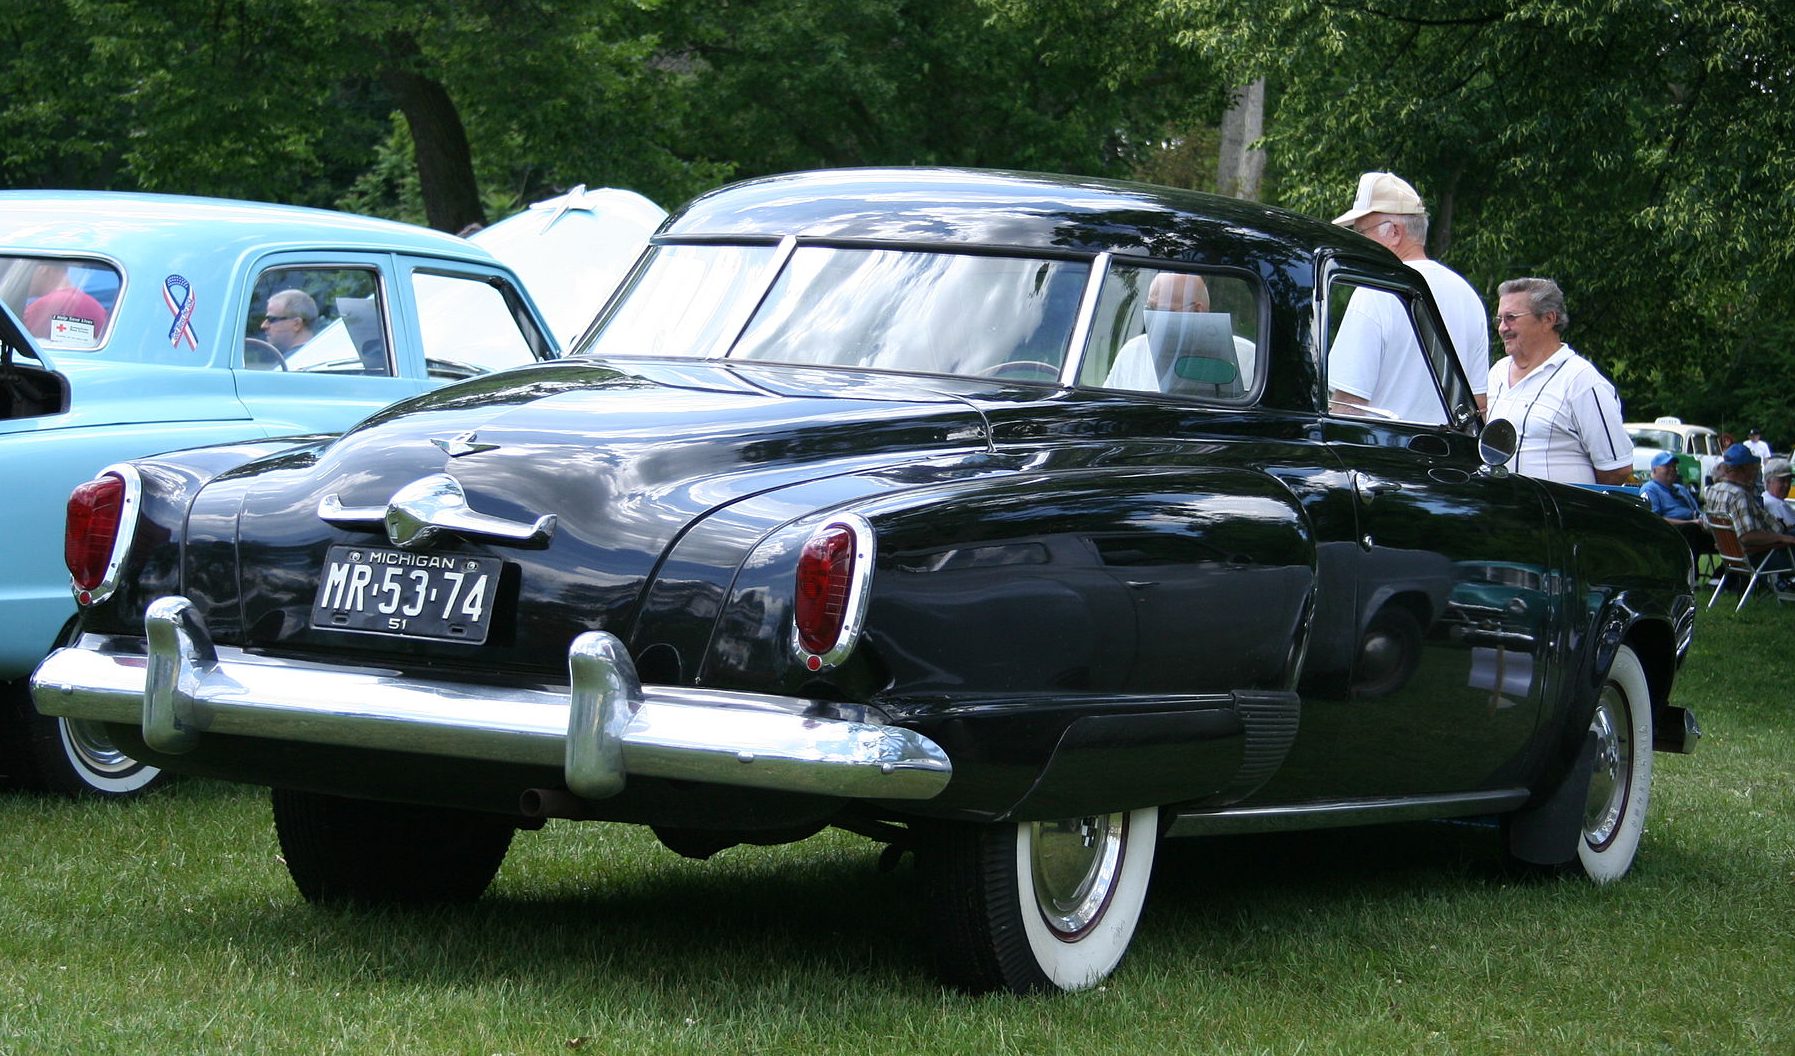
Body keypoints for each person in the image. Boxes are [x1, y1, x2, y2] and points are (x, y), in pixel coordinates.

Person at [1328, 172, 1489, 419]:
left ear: (1394, 232)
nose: (1355, 243)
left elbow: (1348, 406)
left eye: (1361, 233)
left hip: (1385, 453)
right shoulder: (1468, 296)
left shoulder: (1377, 290)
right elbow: (1478, 406)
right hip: (1447, 454)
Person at [1485, 277, 1633, 485]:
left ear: (1548, 319)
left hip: (1560, 514)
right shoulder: (1497, 373)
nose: (1502, 328)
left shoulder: (1581, 381)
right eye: (1499, 319)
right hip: (1505, 512)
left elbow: (1617, 471)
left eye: (1511, 317)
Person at [1104, 271, 1256, 393]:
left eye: (1163, 311)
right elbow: (1106, 407)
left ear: (1197, 311)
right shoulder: (1133, 352)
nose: (1154, 320)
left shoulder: (1247, 357)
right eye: (1150, 309)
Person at [1640, 450, 1714, 558]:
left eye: (1674, 467)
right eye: (1667, 466)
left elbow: (1696, 511)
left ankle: (1730, 571)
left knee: (1725, 536)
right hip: (1668, 534)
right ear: (1654, 470)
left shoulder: (1680, 489)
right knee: (1691, 529)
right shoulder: (1650, 489)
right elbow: (1654, 519)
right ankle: (1691, 572)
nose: (1672, 470)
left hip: (1694, 531)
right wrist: (1690, 522)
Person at [22, 260, 108, 344]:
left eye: (26, 270)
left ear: (44, 268)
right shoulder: (96, 307)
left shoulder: (42, 308)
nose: (23, 278)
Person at [259, 289, 318, 357]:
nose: (263, 325)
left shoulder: (292, 363)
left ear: (297, 324)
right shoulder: (320, 355)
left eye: (271, 319)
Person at [1762, 457, 1795, 533]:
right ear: (1768, 482)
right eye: (1782, 481)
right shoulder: (1774, 504)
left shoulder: (1767, 498)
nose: (1787, 485)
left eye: (1789, 480)